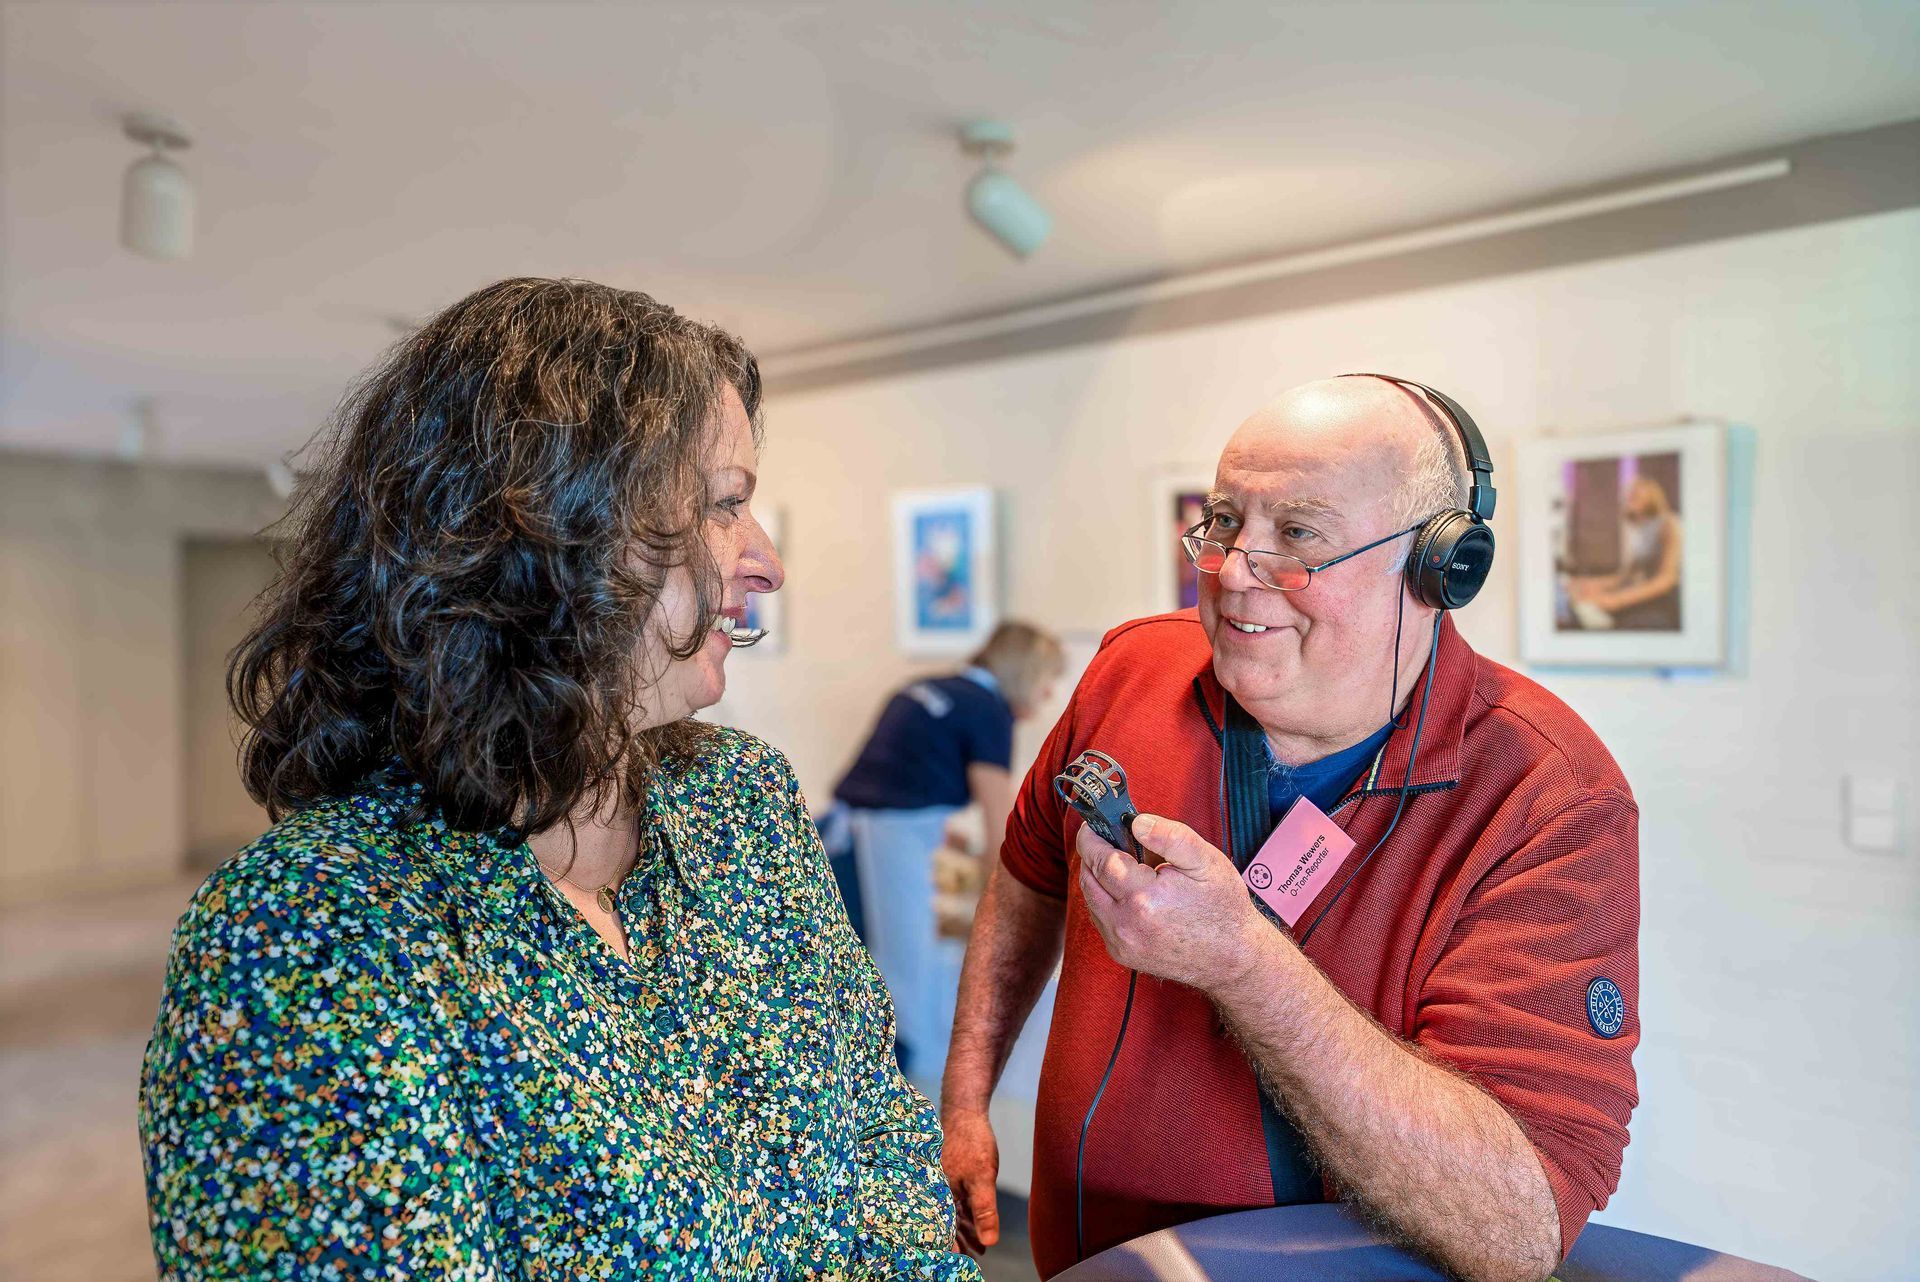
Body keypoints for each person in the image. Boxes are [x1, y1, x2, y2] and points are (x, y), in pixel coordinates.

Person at [138, 278, 978, 1279]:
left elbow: (885, 1153)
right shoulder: (306, 931)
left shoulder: (741, 802)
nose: (766, 563)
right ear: (549, 536)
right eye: (726, 507)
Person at [942, 376, 1638, 1282]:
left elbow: (1516, 1232)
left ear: (1440, 568)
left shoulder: (1552, 801)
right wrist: (964, 1099)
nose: (1233, 571)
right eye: (1224, 521)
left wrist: (1242, 963)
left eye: (1298, 536)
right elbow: (1029, 871)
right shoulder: (1131, 669)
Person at [832, 622, 1065, 1093]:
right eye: (1044, 680)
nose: (1045, 695)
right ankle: (903, 1107)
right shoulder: (987, 712)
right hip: (886, 839)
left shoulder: (931, 688)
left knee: (867, 962)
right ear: (1021, 673)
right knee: (904, 975)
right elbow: (1003, 824)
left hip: (844, 833)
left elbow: (903, 783)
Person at [1566, 475, 1683, 631]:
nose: (1628, 498)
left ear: (1652, 498)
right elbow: (1625, 577)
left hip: (1672, 600)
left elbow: (1666, 580)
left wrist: (1615, 600)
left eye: (1635, 494)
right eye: (1628, 495)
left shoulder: (1669, 523)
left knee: (1622, 623)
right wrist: (1588, 583)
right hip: (1653, 597)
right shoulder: (1641, 530)